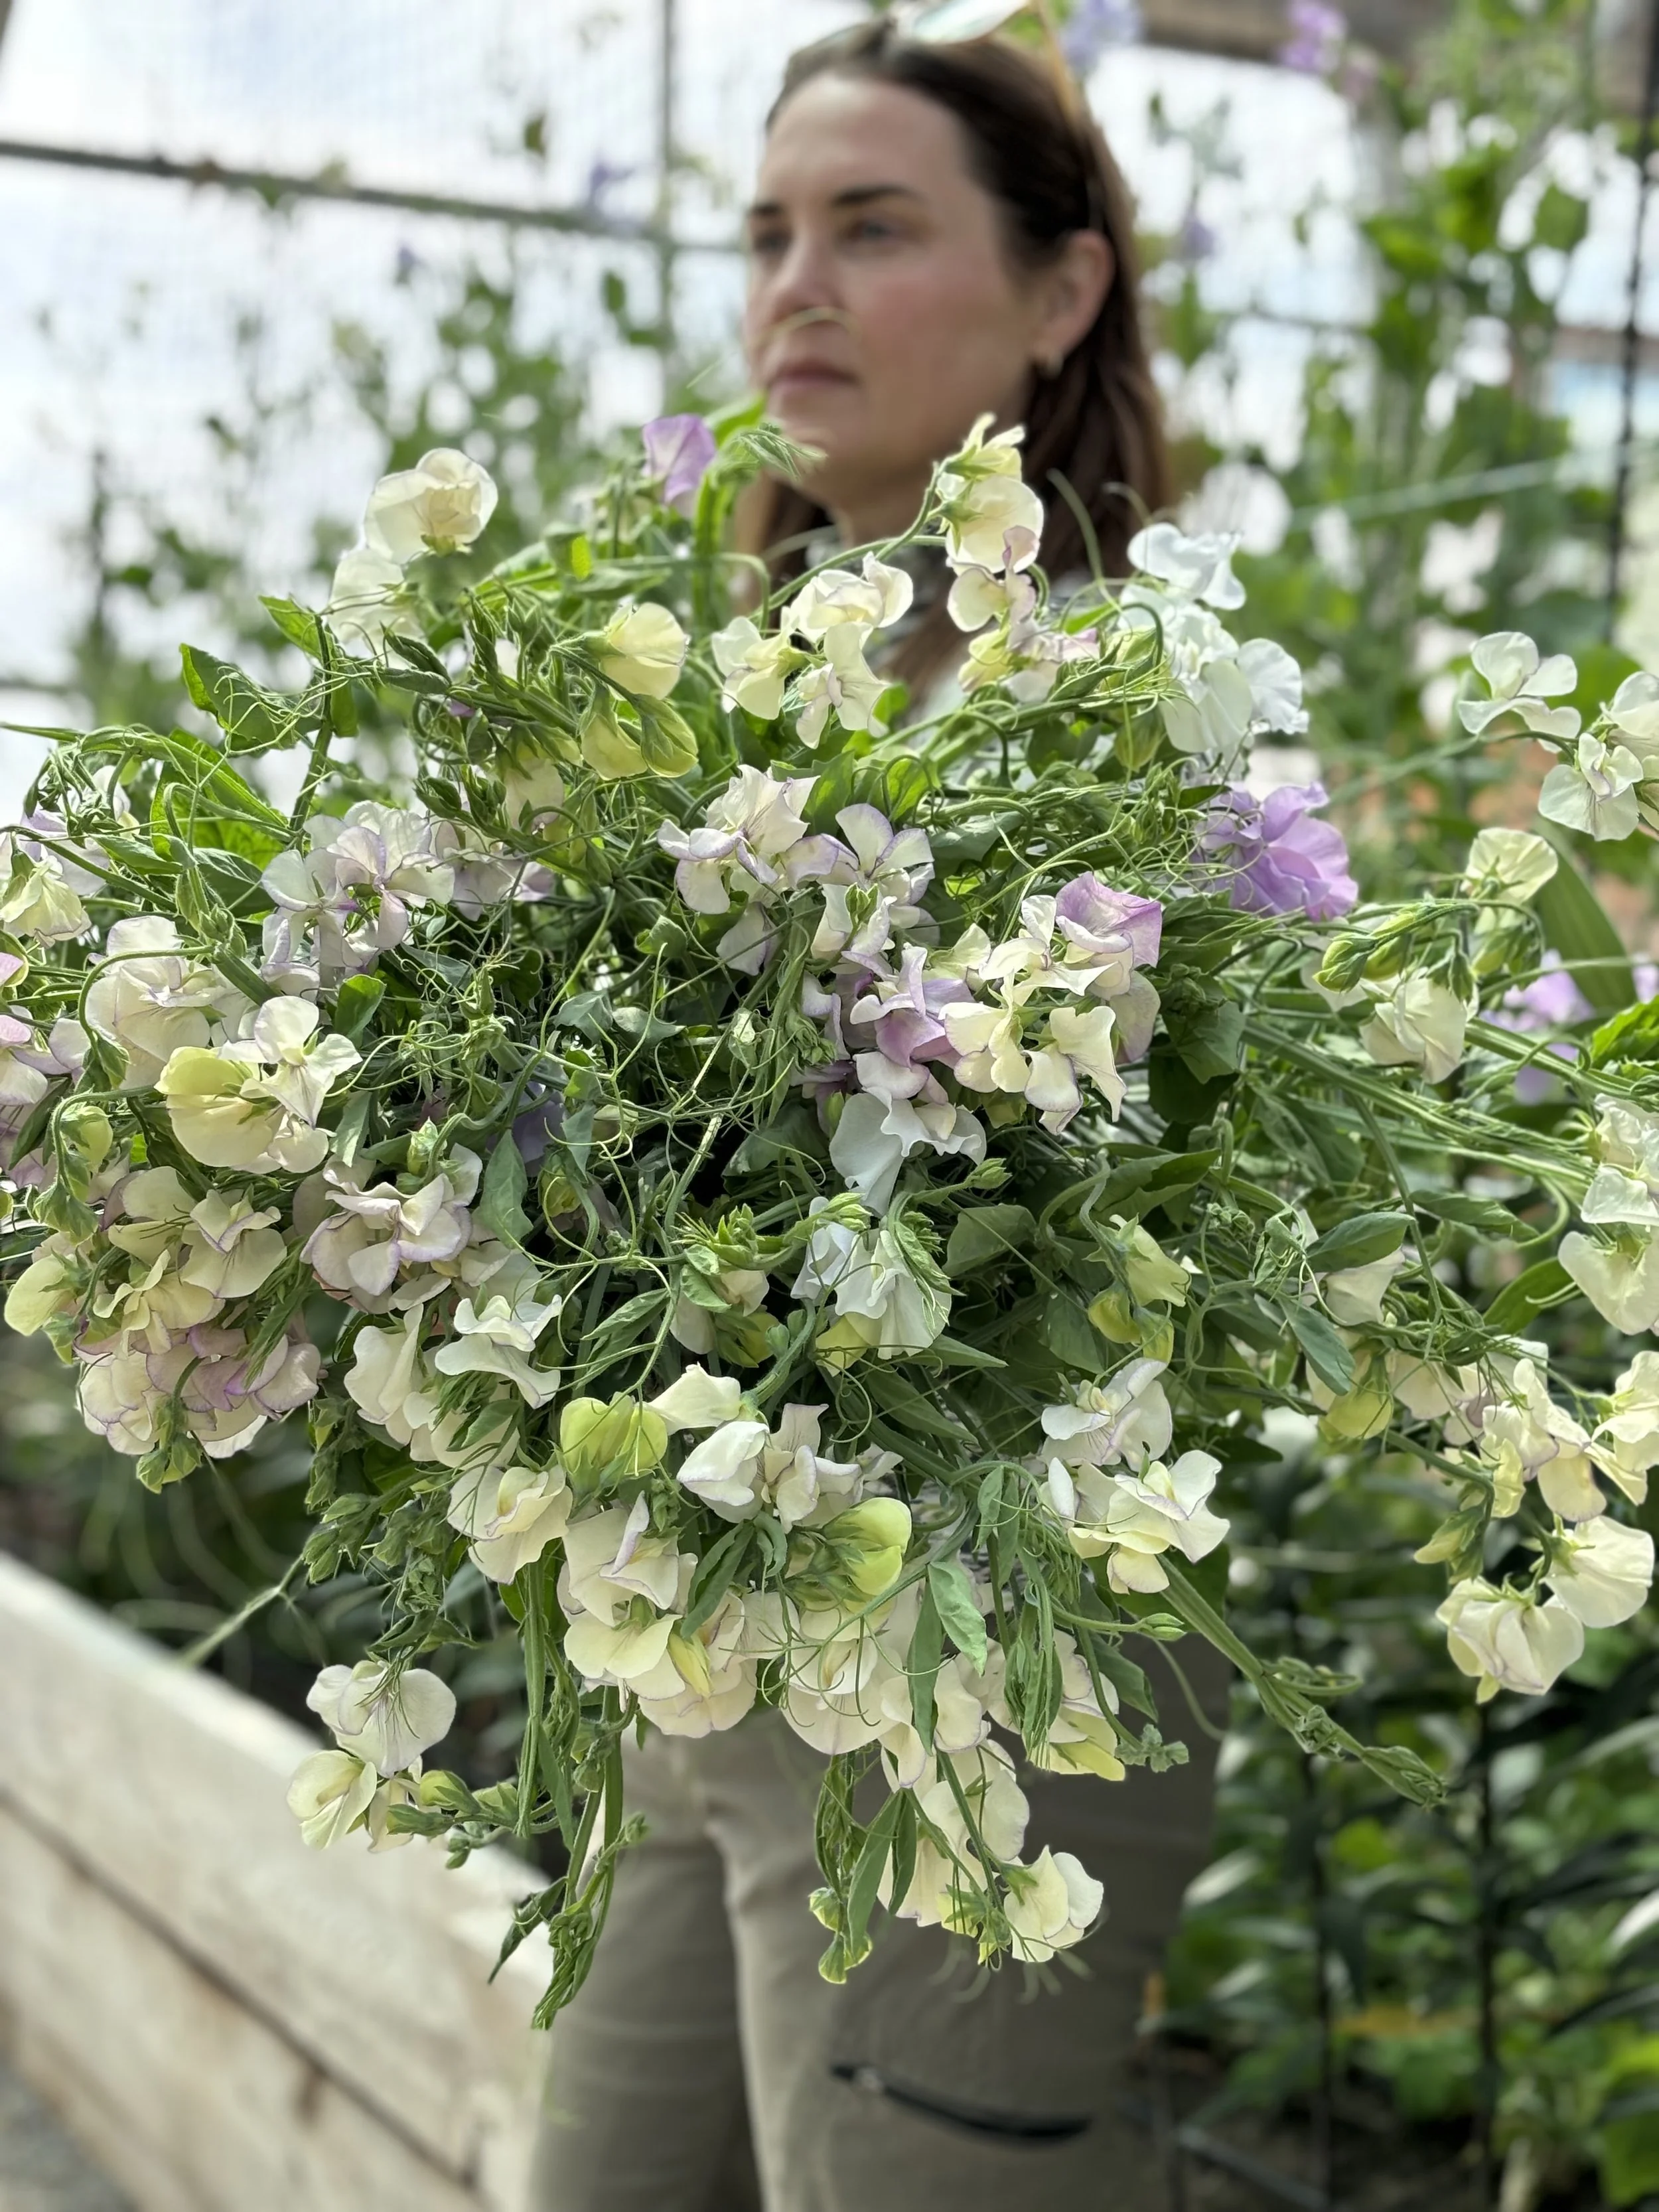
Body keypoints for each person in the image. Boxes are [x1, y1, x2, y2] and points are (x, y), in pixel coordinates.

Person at [535, 23, 1226, 2212]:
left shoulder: (1133, 702)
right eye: (766, 235)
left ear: (1059, 292)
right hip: (701, 1635)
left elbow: (1163, 1204)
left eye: (872, 226)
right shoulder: (683, 689)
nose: (791, 289)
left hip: (980, 1671)